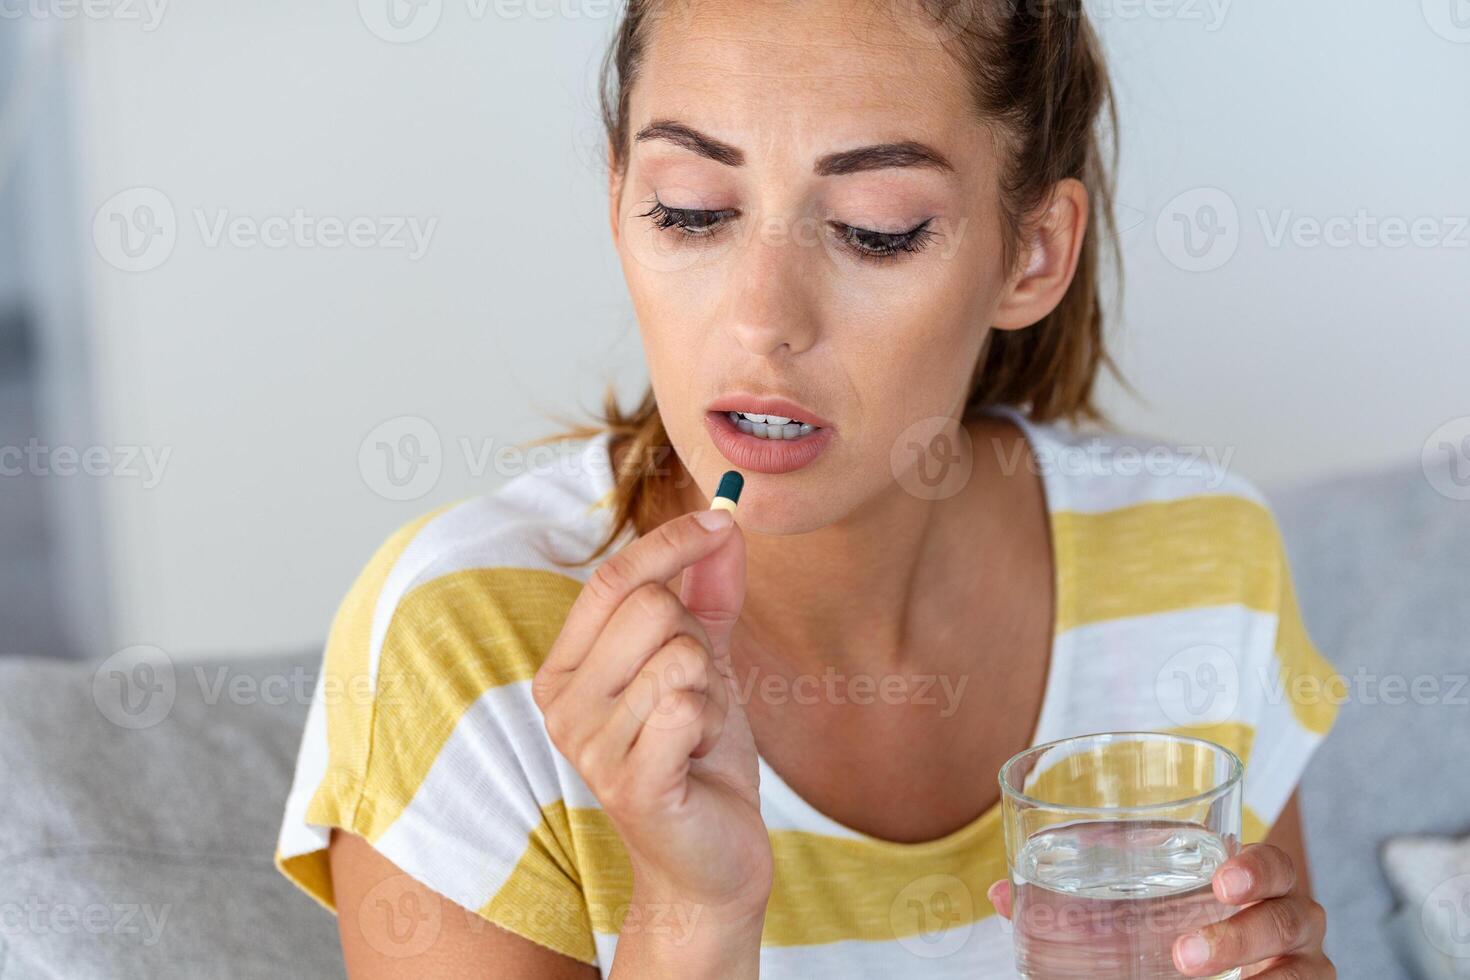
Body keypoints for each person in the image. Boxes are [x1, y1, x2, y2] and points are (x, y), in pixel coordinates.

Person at [275, 0, 1340, 975]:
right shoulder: (459, 650)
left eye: (875, 228)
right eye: (692, 210)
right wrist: (695, 909)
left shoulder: (1200, 565)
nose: (762, 317)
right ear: (619, 202)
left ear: (1033, 252)